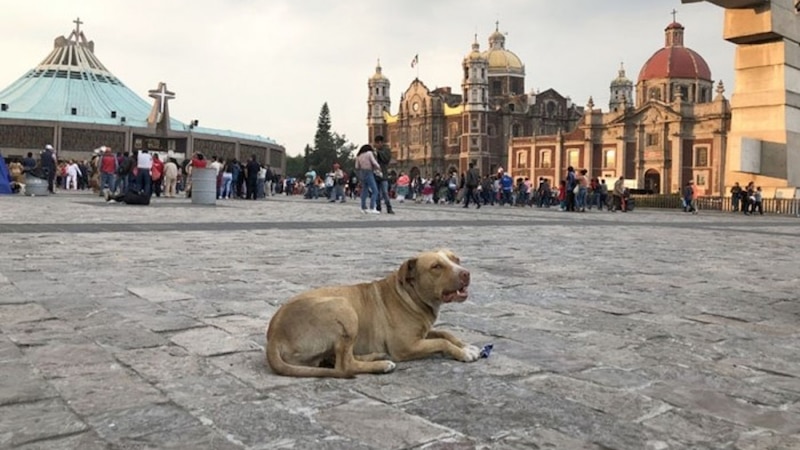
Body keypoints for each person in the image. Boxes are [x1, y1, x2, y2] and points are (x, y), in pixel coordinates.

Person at [355, 144, 381, 213]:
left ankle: (363, 207)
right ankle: (372, 207)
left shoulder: (359, 156)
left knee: (364, 190)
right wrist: (378, 167)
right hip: (368, 171)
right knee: (375, 190)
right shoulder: (369, 153)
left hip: (362, 172)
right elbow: (374, 162)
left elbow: (357, 166)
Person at [372, 135, 394, 214]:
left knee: (385, 192)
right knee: (377, 192)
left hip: (383, 174)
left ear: (381, 142)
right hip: (375, 174)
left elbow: (386, 159)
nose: (376, 145)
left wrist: (378, 153)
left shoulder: (386, 150)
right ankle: (378, 207)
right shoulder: (374, 151)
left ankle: (389, 207)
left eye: (377, 143)